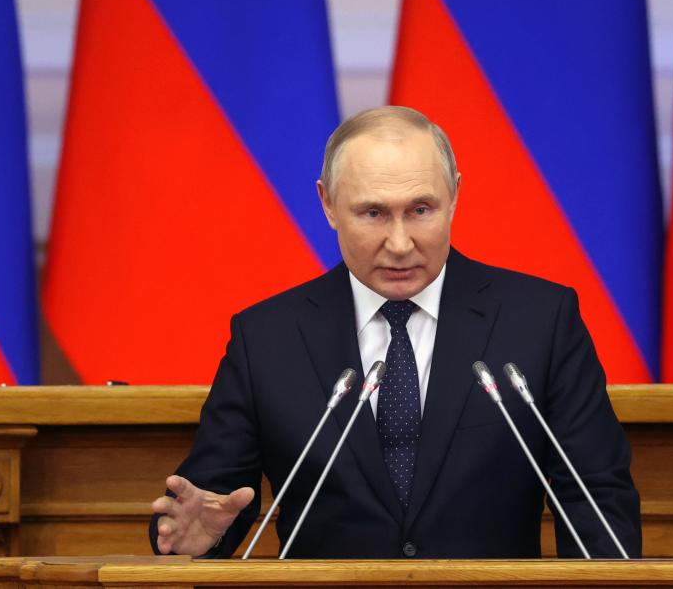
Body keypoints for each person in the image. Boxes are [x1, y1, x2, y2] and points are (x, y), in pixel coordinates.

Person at [150, 106, 641, 559]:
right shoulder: (267, 338)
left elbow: (595, 498)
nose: (400, 242)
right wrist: (196, 539)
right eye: (374, 213)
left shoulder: (539, 320)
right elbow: (211, 501)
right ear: (327, 204)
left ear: (455, 197)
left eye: (421, 210)